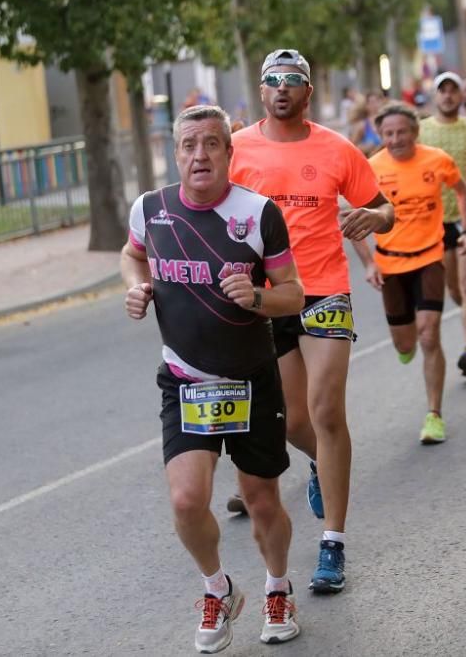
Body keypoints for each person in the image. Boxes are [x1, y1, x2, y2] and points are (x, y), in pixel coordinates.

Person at [121, 104, 304, 652]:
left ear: (229, 152)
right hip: (185, 380)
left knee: (261, 498)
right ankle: (217, 588)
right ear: (175, 153)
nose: (199, 155)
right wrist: (136, 286)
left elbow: (292, 292)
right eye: (188, 145)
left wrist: (259, 297)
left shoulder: (259, 213)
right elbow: (132, 255)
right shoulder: (150, 210)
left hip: (250, 378)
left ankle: (278, 588)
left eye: (211, 144)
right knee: (185, 500)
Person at [229, 48, 394, 593]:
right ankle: (321, 466)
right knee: (292, 422)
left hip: (324, 291)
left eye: (292, 81)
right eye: (272, 80)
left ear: (308, 91)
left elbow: (383, 207)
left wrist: (373, 215)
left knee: (326, 411)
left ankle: (333, 544)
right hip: (269, 297)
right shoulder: (238, 149)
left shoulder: (336, 149)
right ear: (261, 91)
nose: (281, 88)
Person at [369, 101, 466, 442]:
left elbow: (463, 191)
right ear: (380, 135)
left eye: (402, 132)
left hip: (430, 256)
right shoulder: (371, 168)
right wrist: (368, 261)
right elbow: (354, 216)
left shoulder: (436, 159)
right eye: (389, 133)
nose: (396, 138)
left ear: (415, 132)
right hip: (390, 261)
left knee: (430, 334)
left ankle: (434, 415)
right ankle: (405, 344)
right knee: (406, 342)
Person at [418, 72, 466, 377]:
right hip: (435, 219)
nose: (448, 96)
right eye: (442, 91)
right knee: (453, 288)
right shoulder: (420, 130)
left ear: (461, 96)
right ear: (435, 96)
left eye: (453, 91)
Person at [349, 91, 384, 156]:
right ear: (366, 106)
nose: (375, 105)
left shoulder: (387, 122)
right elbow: (351, 147)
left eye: (378, 101)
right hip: (369, 162)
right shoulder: (362, 125)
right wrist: (363, 148)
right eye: (372, 102)